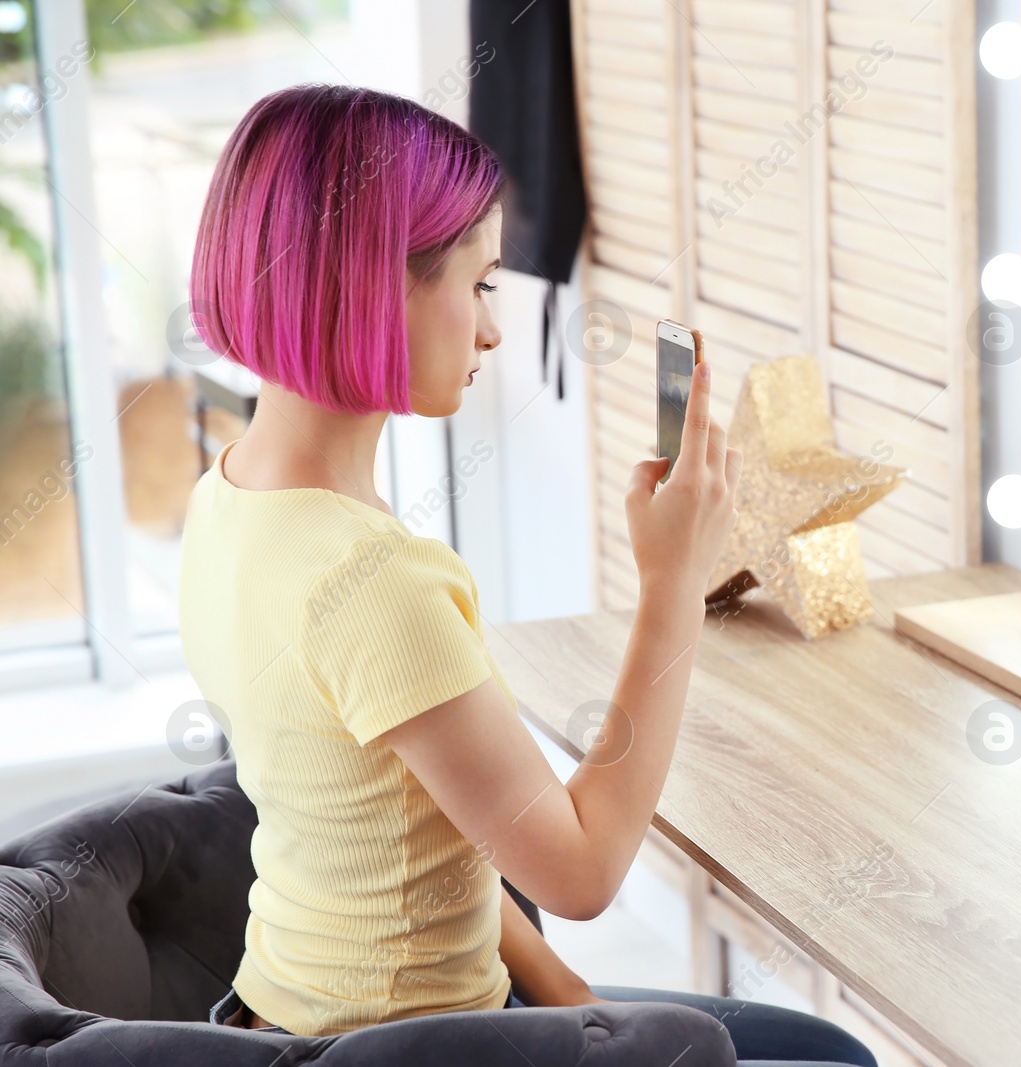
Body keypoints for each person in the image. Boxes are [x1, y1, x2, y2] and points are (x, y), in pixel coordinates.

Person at [182, 83, 873, 1067]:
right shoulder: (376, 579)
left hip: (285, 1008)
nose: (494, 332)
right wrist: (674, 581)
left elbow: (424, 826)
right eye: (480, 286)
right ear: (375, 284)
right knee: (834, 1060)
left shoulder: (228, 500)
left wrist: (570, 995)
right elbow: (583, 870)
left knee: (802, 1042)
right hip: (395, 1046)